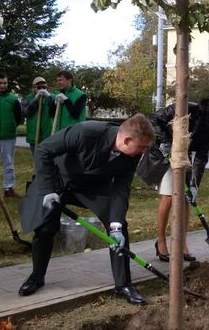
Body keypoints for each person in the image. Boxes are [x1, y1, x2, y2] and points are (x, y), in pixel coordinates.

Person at [17, 114, 155, 305]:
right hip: (58, 180)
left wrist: (115, 225)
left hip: (91, 186)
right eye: (142, 146)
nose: (144, 151)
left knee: (120, 226)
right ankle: (37, 276)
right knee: (45, 229)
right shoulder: (86, 132)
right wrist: (48, 189)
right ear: (127, 140)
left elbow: (120, 189)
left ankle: (123, 285)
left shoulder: (132, 156)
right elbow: (43, 150)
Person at [137, 96, 209, 262]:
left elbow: (201, 157)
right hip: (165, 154)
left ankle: (181, 242)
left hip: (183, 157)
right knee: (168, 197)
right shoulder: (185, 108)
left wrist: (194, 185)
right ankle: (160, 241)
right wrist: (166, 141)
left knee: (185, 200)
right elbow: (153, 119)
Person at [21, 77, 53, 154]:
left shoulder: (51, 97)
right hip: (34, 135)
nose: (41, 89)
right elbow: (26, 113)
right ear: (33, 88)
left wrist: (49, 97)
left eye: (44, 87)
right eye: (39, 87)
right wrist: (35, 100)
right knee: (36, 159)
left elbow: (54, 111)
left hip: (47, 135)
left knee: (49, 159)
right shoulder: (27, 98)